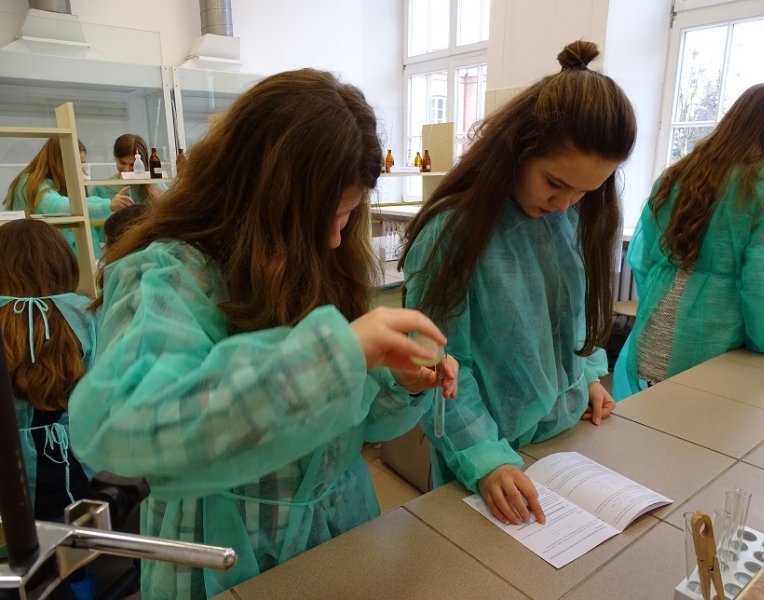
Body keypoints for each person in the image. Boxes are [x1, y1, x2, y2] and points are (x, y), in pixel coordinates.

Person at [68, 68, 459, 599]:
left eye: (348, 215)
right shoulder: (170, 274)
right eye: (326, 215)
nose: (334, 237)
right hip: (222, 555)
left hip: (339, 531)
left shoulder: (322, 261)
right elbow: (133, 432)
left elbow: (348, 429)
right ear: (264, 200)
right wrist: (333, 355)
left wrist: (398, 381)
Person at [399, 40, 636, 527]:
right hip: (485, 455)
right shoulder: (454, 232)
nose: (563, 203)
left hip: (563, 443)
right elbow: (439, 367)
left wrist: (587, 378)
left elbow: (570, 320)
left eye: (584, 191)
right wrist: (485, 458)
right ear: (518, 150)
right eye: (555, 182)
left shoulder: (568, 218)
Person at [613, 82, 764, 400]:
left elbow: (644, 258)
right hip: (715, 335)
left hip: (657, 323)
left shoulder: (681, 171)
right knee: (702, 420)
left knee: (654, 414)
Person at [0, 219, 98, 598]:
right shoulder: (87, 317)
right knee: (75, 568)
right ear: (63, 262)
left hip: (11, 492)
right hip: (79, 481)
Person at [3, 138, 134, 256]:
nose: (80, 170)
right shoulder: (31, 184)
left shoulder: (57, 184)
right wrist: (108, 205)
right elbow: (60, 206)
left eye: (83, 164)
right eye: (77, 164)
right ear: (60, 162)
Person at [89, 133, 168, 207]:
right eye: (122, 163)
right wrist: (108, 206)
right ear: (114, 157)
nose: (127, 169)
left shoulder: (156, 185)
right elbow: (87, 209)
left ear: (143, 163)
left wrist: (163, 201)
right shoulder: (101, 188)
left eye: (133, 165)